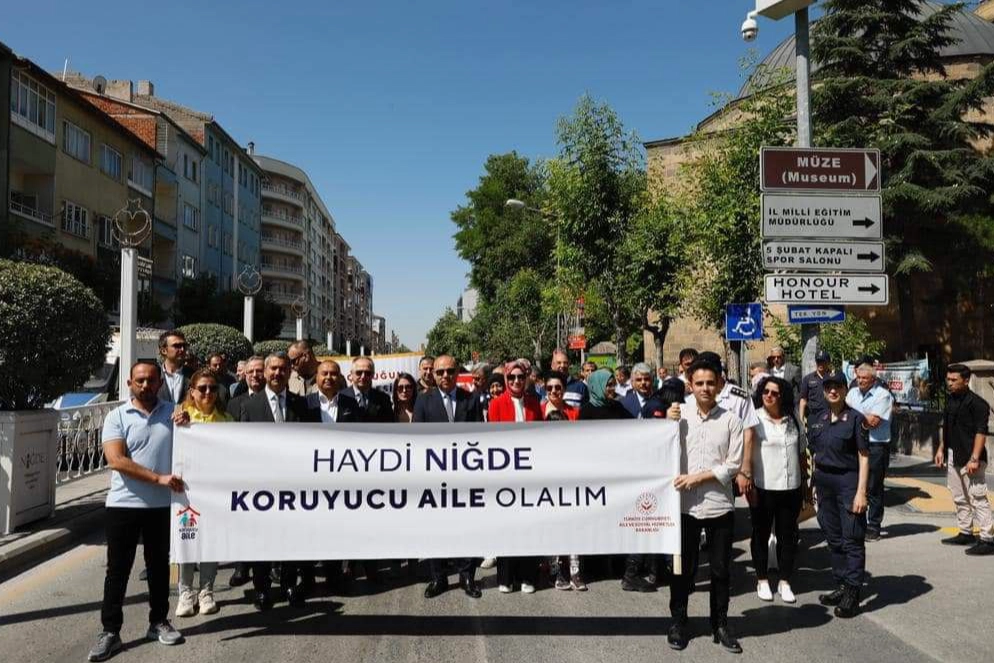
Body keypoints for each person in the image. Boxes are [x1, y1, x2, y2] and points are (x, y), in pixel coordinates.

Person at [88, 361, 185, 662]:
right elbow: (116, 459)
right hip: (123, 506)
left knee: (158, 569)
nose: (145, 385)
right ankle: (110, 631)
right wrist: (158, 479)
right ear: (130, 383)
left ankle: (159, 622)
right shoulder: (116, 416)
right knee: (118, 571)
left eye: (151, 380)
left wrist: (188, 418)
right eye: (140, 380)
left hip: (162, 507)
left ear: (159, 383)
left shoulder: (174, 413)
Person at [666, 359, 744, 653]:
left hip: (718, 505)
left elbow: (733, 465)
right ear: (690, 384)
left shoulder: (731, 420)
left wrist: (698, 478)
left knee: (721, 570)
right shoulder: (678, 414)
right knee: (682, 569)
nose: (705, 388)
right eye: (699, 383)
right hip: (684, 507)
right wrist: (666, 422)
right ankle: (678, 621)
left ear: (719, 384)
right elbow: (660, 448)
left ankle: (720, 624)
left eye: (710, 383)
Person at [237, 352, 319, 610]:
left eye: (283, 369)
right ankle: (262, 589)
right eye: (273, 368)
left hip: (293, 485)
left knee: (290, 539)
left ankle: (289, 585)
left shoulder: (301, 404)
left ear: (288, 372)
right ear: (265, 372)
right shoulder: (249, 406)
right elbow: (241, 448)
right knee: (261, 540)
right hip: (261, 487)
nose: (277, 373)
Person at [414, 354, 485, 598]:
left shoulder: (471, 399)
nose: (445, 375)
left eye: (450, 371)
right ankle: (438, 577)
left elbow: (479, 437)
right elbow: (417, 440)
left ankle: (467, 576)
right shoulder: (423, 401)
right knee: (436, 528)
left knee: (466, 527)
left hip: (465, 477)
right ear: (433, 374)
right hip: (434, 478)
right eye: (440, 372)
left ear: (457, 373)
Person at [808, 372, 870, 618]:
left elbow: (864, 457)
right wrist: (813, 485)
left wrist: (861, 492)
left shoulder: (856, 419)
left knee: (852, 538)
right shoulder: (819, 419)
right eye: (829, 387)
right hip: (824, 483)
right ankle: (842, 584)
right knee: (833, 537)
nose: (833, 391)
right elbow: (814, 453)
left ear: (845, 390)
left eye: (837, 387)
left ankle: (853, 592)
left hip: (847, 482)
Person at [174, 369, 233, 618]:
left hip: (216, 492)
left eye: (212, 388)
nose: (208, 392)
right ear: (192, 391)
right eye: (202, 388)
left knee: (210, 542)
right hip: (187, 493)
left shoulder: (227, 420)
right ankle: (185, 593)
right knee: (187, 541)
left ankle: (206, 591)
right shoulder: (181, 418)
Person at [487, 361, 543, 594]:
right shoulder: (496, 404)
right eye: (512, 378)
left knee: (528, 527)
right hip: (505, 476)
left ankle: (528, 577)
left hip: (529, 476)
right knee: (507, 526)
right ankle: (506, 577)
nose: (517, 381)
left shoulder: (534, 403)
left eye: (520, 377)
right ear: (506, 380)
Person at [750, 376, 806, 604]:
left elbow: (801, 453)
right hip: (763, 487)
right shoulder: (754, 419)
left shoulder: (793, 419)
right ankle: (762, 579)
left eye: (774, 393)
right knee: (761, 534)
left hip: (791, 487)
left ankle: (785, 581)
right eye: (765, 392)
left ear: (782, 396)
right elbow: (746, 453)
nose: (769, 396)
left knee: (788, 536)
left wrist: (806, 483)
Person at [935, 364, 994, 555]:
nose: (949, 383)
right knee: (959, 496)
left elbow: (981, 432)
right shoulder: (951, 400)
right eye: (948, 379)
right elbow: (948, 427)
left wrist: (974, 458)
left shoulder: (978, 404)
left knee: (977, 497)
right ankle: (966, 532)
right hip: (954, 454)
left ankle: (987, 539)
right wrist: (941, 449)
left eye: (954, 380)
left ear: (966, 380)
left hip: (971, 457)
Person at [688, 352, 760, 503]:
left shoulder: (739, 397)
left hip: (730, 465)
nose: (704, 386)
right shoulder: (691, 399)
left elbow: (748, 432)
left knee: (725, 503)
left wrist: (745, 469)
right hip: (698, 465)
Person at [845, 363, 894, 541]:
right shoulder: (852, 393)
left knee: (874, 488)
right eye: (858, 377)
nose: (860, 381)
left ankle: (873, 526)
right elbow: (844, 416)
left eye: (864, 378)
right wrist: (860, 417)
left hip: (875, 446)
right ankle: (857, 523)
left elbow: (872, 422)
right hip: (854, 445)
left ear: (873, 380)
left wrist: (853, 417)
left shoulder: (883, 395)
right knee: (855, 485)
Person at [343, 356, 394, 423]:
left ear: (373, 375)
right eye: (359, 372)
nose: (363, 376)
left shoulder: (384, 399)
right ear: (351, 374)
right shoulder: (340, 397)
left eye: (367, 373)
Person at [156, 330, 192, 404]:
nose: (182, 349)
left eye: (184, 346)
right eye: (177, 346)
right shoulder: (154, 375)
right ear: (163, 351)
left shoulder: (193, 375)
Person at [799, 350, 833, 427]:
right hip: (813, 417)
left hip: (830, 416)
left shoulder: (833, 378)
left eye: (823, 361)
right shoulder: (808, 379)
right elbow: (803, 400)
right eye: (818, 361)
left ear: (828, 362)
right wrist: (801, 419)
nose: (820, 364)